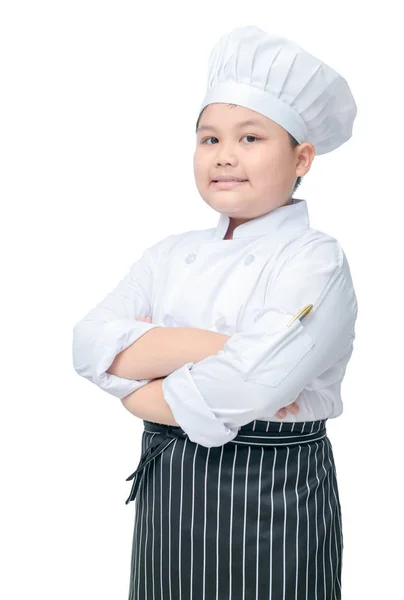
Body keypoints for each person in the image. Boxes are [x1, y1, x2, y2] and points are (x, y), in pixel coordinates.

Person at [72, 25, 358, 600]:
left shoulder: (315, 260)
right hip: (171, 500)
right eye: (209, 139)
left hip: (274, 498)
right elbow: (87, 344)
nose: (225, 156)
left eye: (251, 138)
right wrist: (229, 346)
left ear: (302, 157)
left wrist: (141, 385)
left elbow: (247, 388)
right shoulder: (168, 254)